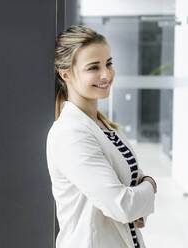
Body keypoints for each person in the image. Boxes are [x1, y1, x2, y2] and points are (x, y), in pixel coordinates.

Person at [46, 25, 157, 248]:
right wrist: (151, 185)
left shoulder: (104, 126)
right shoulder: (70, 134)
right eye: (93, 67)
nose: (106, 74)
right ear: (66, 74)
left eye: (108, 63)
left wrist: (136, 195)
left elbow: (131, 185)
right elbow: (122, 206)